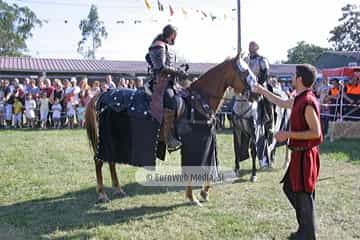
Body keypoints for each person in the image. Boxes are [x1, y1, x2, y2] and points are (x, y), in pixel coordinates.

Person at [253, 64, 323, 240]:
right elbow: (282, 102)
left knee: (303, 193)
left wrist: (287, 134)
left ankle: (308, 234)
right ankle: (305, 228)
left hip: (305, 155)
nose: (292, 78)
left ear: (299, 79)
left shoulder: (307, 102)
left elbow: (316, 133)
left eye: (293, 75)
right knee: (291, 188)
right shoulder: (300, 98)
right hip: (299, 154)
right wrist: (263, 91)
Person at [145, 24, 187, 152]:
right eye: (175, 35)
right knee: (171, 100)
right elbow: (160, 67)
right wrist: (178, 72)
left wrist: (179, 70)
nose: (176, 38)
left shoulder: (164, 46)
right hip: (161, 84)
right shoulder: (159, 45)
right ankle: (167, 138)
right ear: (171, 35)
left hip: (170, 83)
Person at [245, 41, 273, 167]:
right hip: (247, 86)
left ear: (257, 48)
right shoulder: (245, 59)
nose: (251, 49)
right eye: (250, 46)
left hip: (260, 85)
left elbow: (265, 74)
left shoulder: (262, 59)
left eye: (253, 47)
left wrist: (259, 86)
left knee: (266, 97)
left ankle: (268, 116)